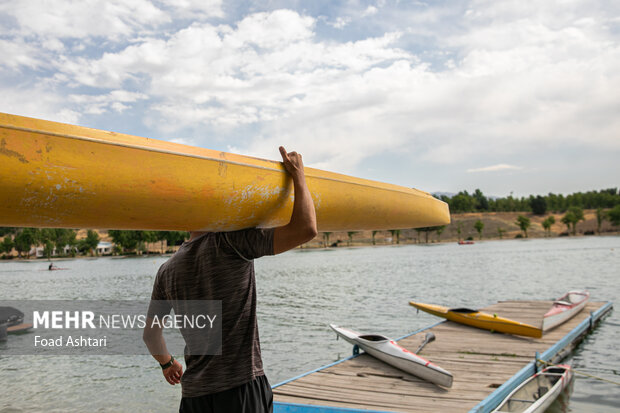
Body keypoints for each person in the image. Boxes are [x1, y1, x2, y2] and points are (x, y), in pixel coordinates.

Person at [143, 146, 317, 413]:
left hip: (194, 398)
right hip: (240, 391)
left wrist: (167, 364)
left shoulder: (167, 270)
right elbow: (306, 228)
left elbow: (151, 335)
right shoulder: (231, 242)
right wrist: (298, 176)